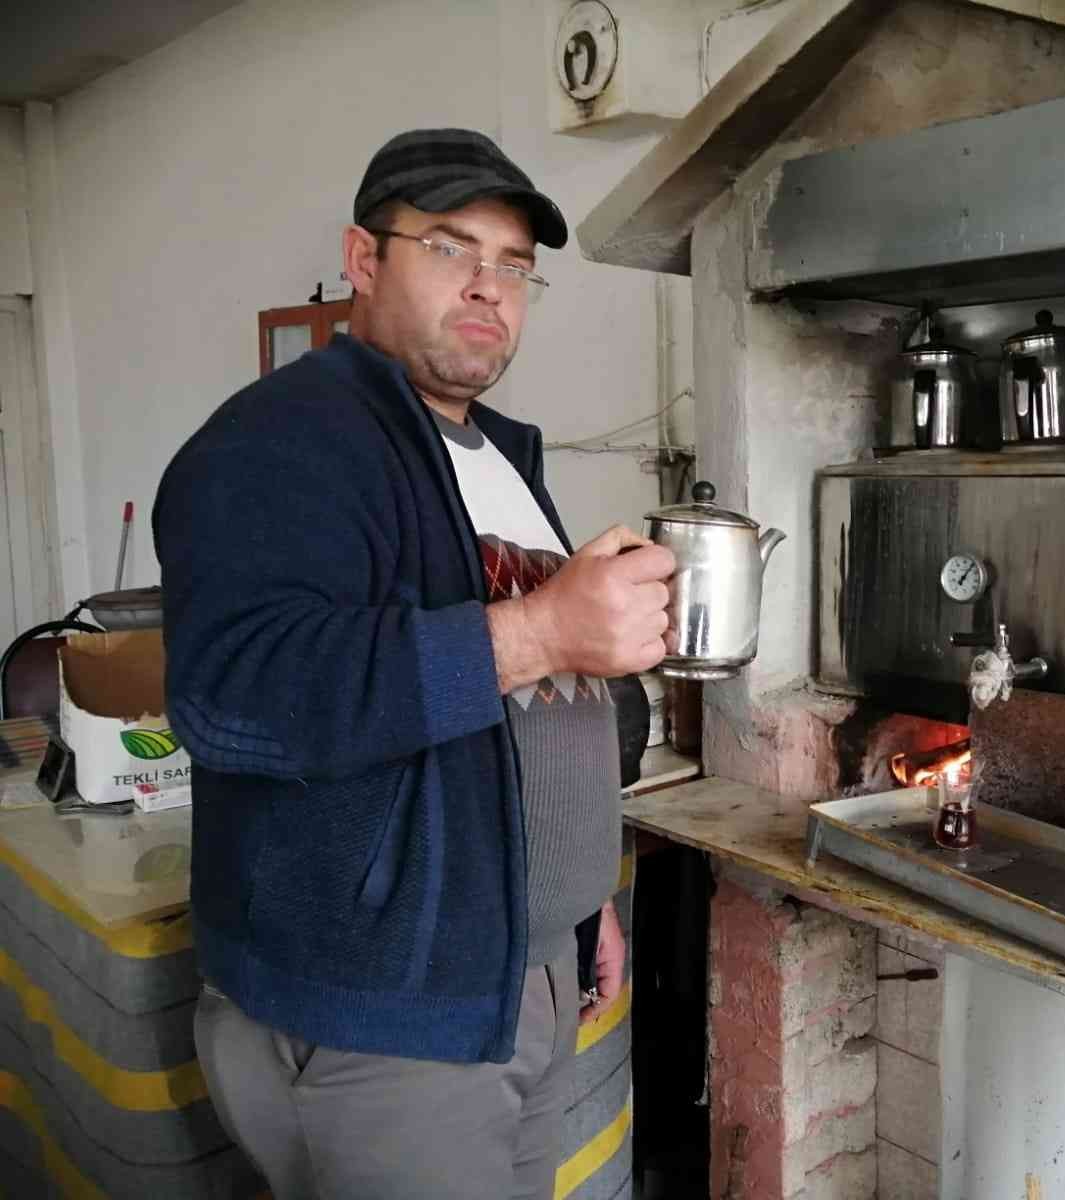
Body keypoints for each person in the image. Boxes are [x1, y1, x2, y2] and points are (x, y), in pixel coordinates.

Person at [154, 128, 675, 1200]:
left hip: (518, 969)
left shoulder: (497, 458)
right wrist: (539, 632)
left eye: (515, 265)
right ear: (363, 260)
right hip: (382, 1018)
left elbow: (535, 713)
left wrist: (579, 898)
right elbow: (239, 694)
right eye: (449, 247)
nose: (489, 287)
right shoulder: (280, 444)